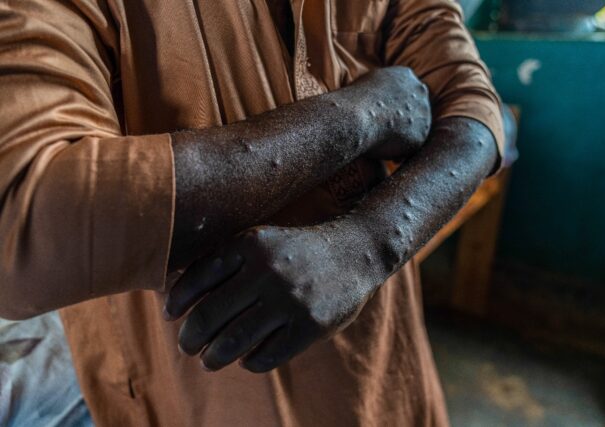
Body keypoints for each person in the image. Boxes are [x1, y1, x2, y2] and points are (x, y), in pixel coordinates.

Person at [0, 0, 504, 425]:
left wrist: (368, 245)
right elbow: (22, 217)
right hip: (189, 395)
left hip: (386, 370)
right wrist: (361, 114)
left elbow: (474, 114)